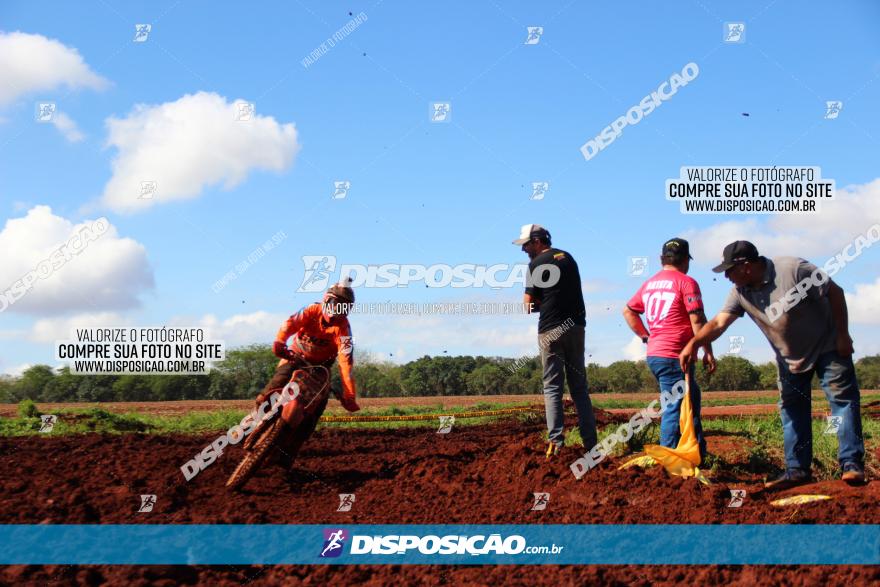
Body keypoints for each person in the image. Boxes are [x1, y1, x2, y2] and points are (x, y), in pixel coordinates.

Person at [680, 241, 865, 488]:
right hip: (789, 357)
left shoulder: (794, 269)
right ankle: (797, 470)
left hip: (828, 345)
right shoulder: (740, 292)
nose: (726, 276)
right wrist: (694, 343)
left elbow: (835, 292)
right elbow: (718, 323)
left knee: (841, 400)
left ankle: (851, 464)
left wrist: (843, 334)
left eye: (729, 270)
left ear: (746, 266)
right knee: (791, 408)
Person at [623, 238, 715, 458]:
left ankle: (697, 452)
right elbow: (698, 321)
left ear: (661, 259)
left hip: (656, 353)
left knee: (691, 397)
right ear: (685, 260)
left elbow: (628, 311)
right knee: (673, 406)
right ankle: (669, 458)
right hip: (675, 355)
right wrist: (707, 350)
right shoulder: (686, 282)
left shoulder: (649, 284)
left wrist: (646, 336)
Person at [513, 223, 597, 458]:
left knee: (552, 388)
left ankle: (556, 444)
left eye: (526, 244)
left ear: (537, 241)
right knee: (580, 388)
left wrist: (541, 304)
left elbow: (528, 305)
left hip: (550, 329)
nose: (524, 250)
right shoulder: (569, 258)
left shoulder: (536, 264)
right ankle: (591, 445)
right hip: (577, 327)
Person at [254, 280, 361, 465]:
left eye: (344, 308)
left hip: (320, 369)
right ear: (326, 300)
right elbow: (290, 323)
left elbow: (346, 365)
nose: (338, 311)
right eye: (336, 304)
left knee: (315, 411)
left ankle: (287, 455)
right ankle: (257, 421)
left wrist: (350, 396)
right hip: (295, 356)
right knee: (272, 389)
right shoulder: (312, 310)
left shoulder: (344, 331)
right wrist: (280, 342)